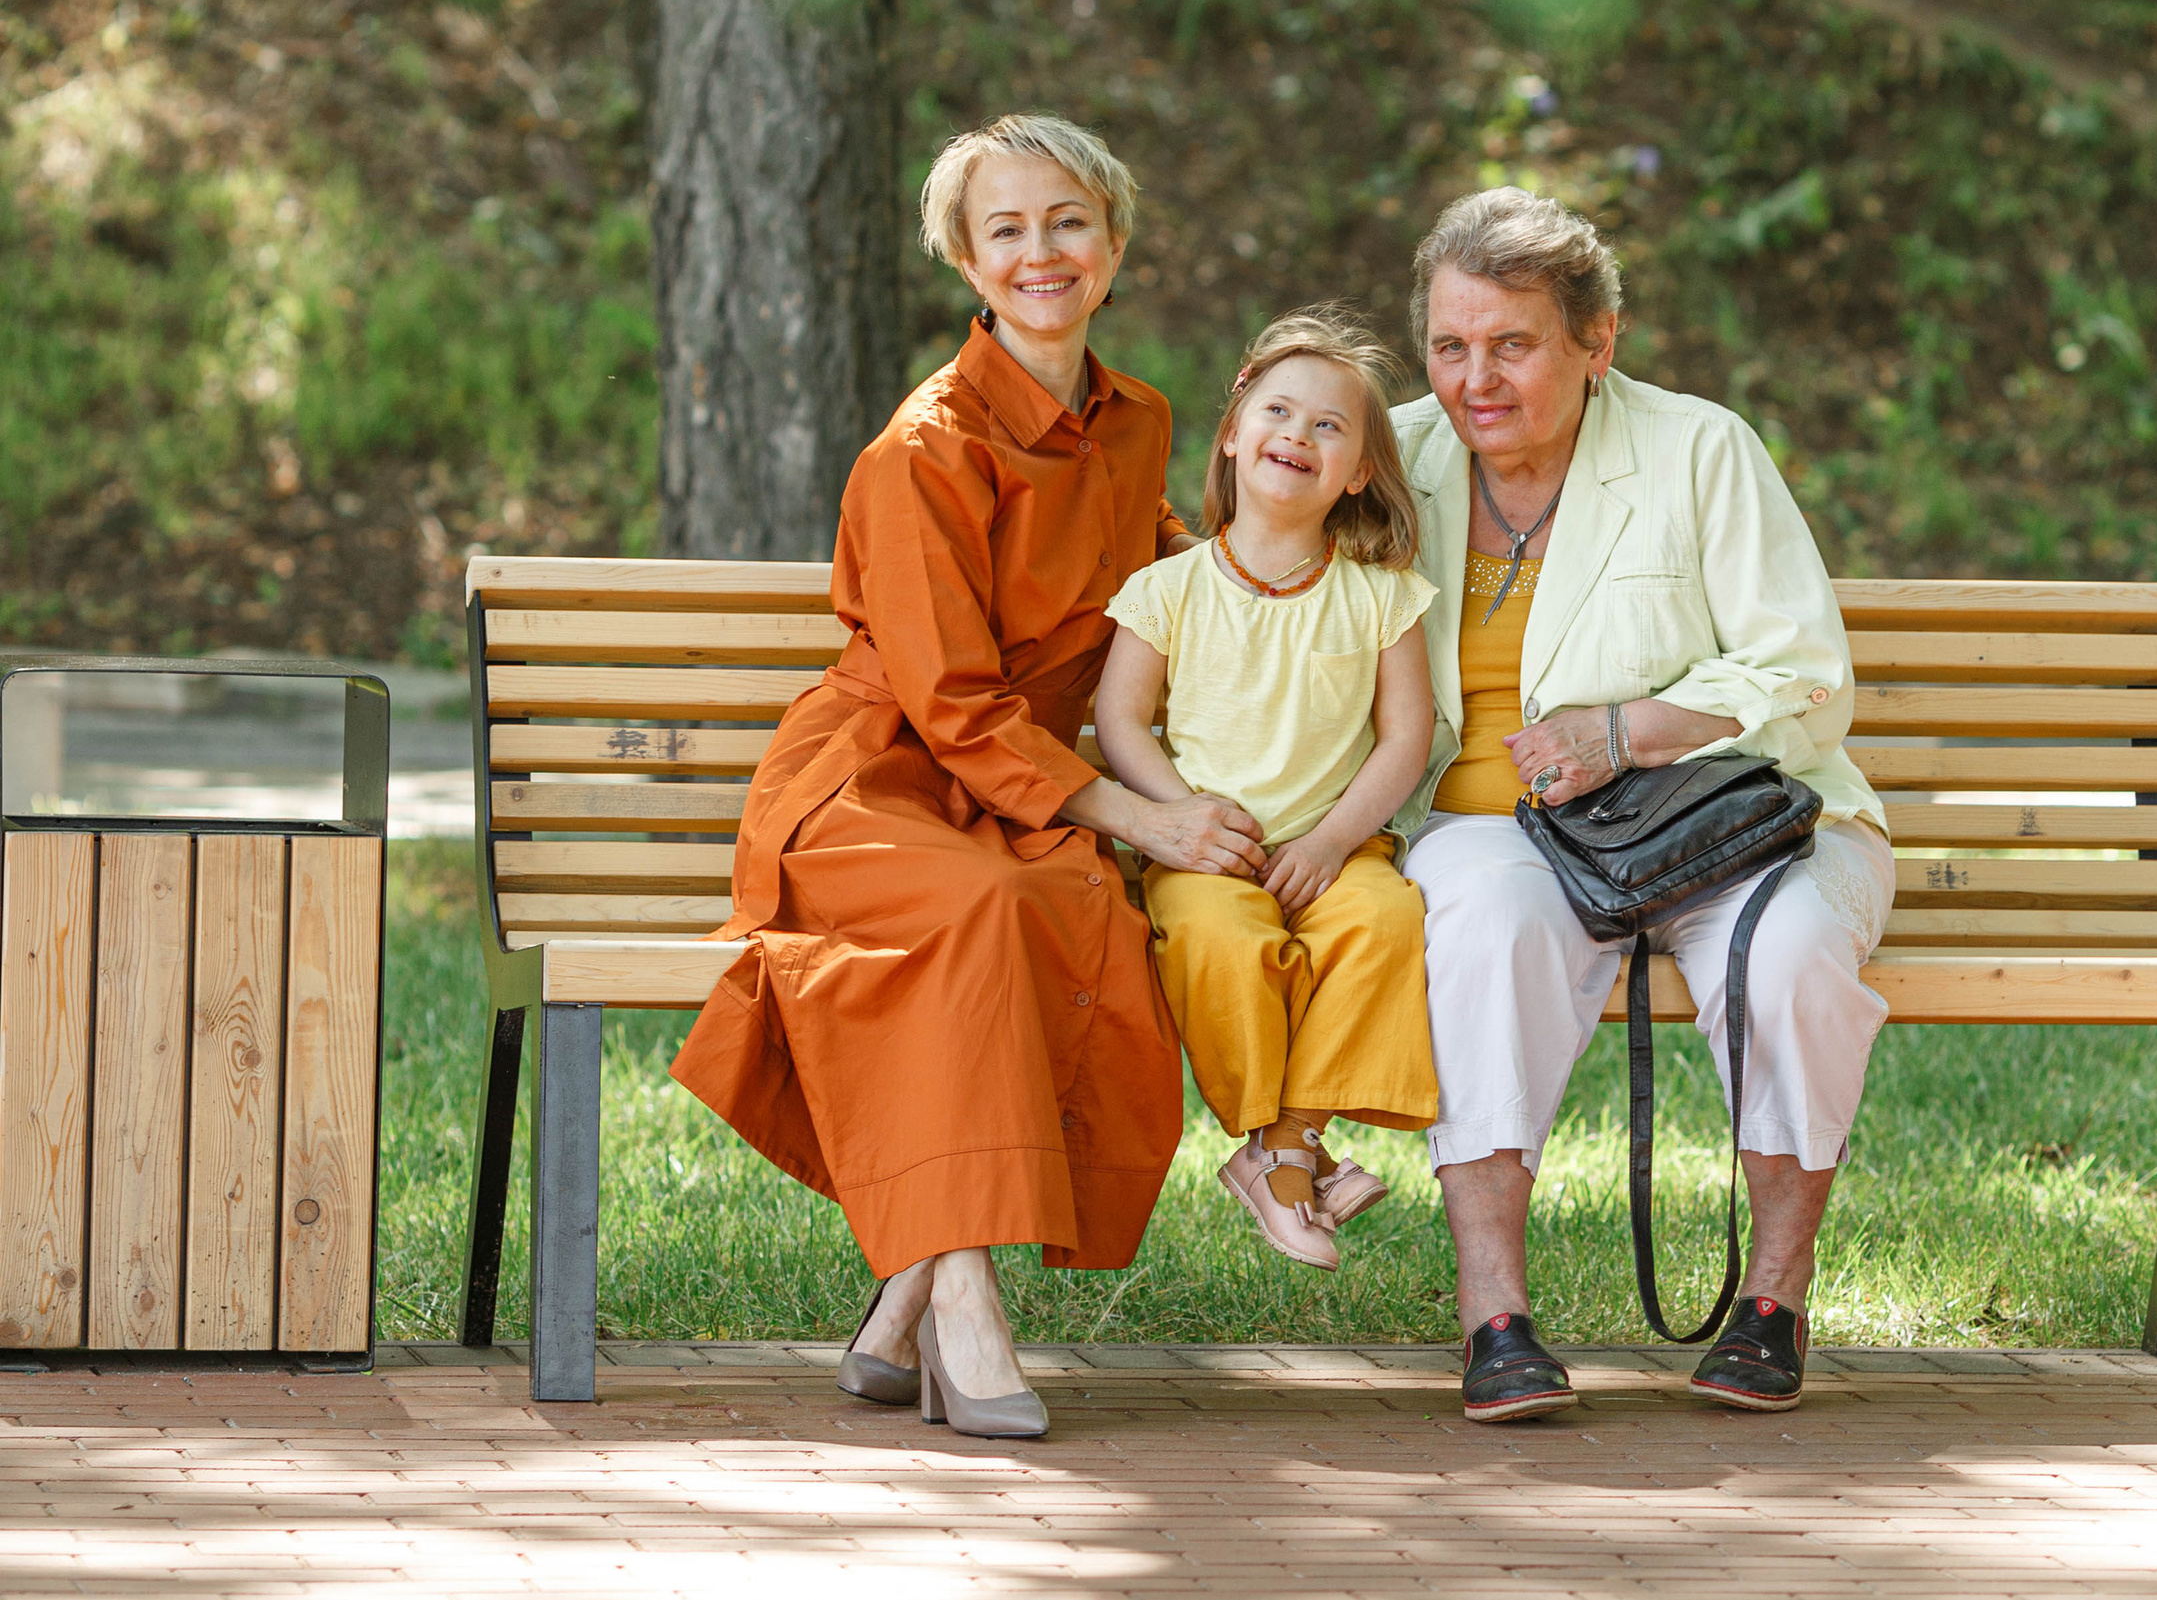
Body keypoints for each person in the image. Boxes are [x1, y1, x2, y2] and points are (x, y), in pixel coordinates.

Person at [671, 111, 1266, 1443]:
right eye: (1006, 229)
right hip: (879, 782)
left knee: (1084, 924)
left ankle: (906, 1291)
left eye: (1068, 222)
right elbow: (946, 700)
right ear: (964, 258)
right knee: (982, 920)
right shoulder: (920, 451)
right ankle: (968, 1307)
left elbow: (1168, 591)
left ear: (1112, 241)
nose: (1041, 252)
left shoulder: (1139, 422)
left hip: (1026, 784)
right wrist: (1137, 813)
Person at [1388, 185, 1896, 1424]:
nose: (1476, 380)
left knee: (1791, 959)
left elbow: (1802, 672)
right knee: (1485, 931)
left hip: (1732, 820)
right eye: (1451, 347)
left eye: (1513, 344)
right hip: (1486, 830)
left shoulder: (1698, 448)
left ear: (1597, 341)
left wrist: (1630, 730)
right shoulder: (1390, 453)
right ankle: (1494, 1319)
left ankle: (1772, 1298)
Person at [1095, 311, 1438, 1268]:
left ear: (1360, 471)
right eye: (1278, 412)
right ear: (1236, 434)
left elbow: (1405, 738)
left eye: (1330, 427)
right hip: (1207, 855)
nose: (1298, 434)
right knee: (1220, 940)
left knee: (1386, 922)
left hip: (1336, 849)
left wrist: (1331, 843)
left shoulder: (1380, 592)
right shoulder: (1171, 586)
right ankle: (1286, 1151)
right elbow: (1122, 720)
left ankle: (1286, 1144)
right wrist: (1177, 814)